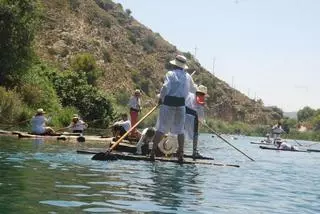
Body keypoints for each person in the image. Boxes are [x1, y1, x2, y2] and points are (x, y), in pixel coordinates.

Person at [150, 54, 197, 163]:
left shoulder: (170, 74)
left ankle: (152, 152)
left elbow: (166, 87)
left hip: (168, 104)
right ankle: (181, 154)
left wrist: (160, 99)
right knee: (180, 130)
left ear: (175, 65)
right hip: (181, 106)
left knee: (161, 128)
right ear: (183, 66)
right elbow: (194, 89)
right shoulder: (188, 77)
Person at [184, 84, 208, 160]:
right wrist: (203, 122)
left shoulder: (190, 95)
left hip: (183, 116)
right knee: (195, 134)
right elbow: (200, 116)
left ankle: (179, 150)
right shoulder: (200, 100)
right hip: (192, 118)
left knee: (181, 133)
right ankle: (194, 152)